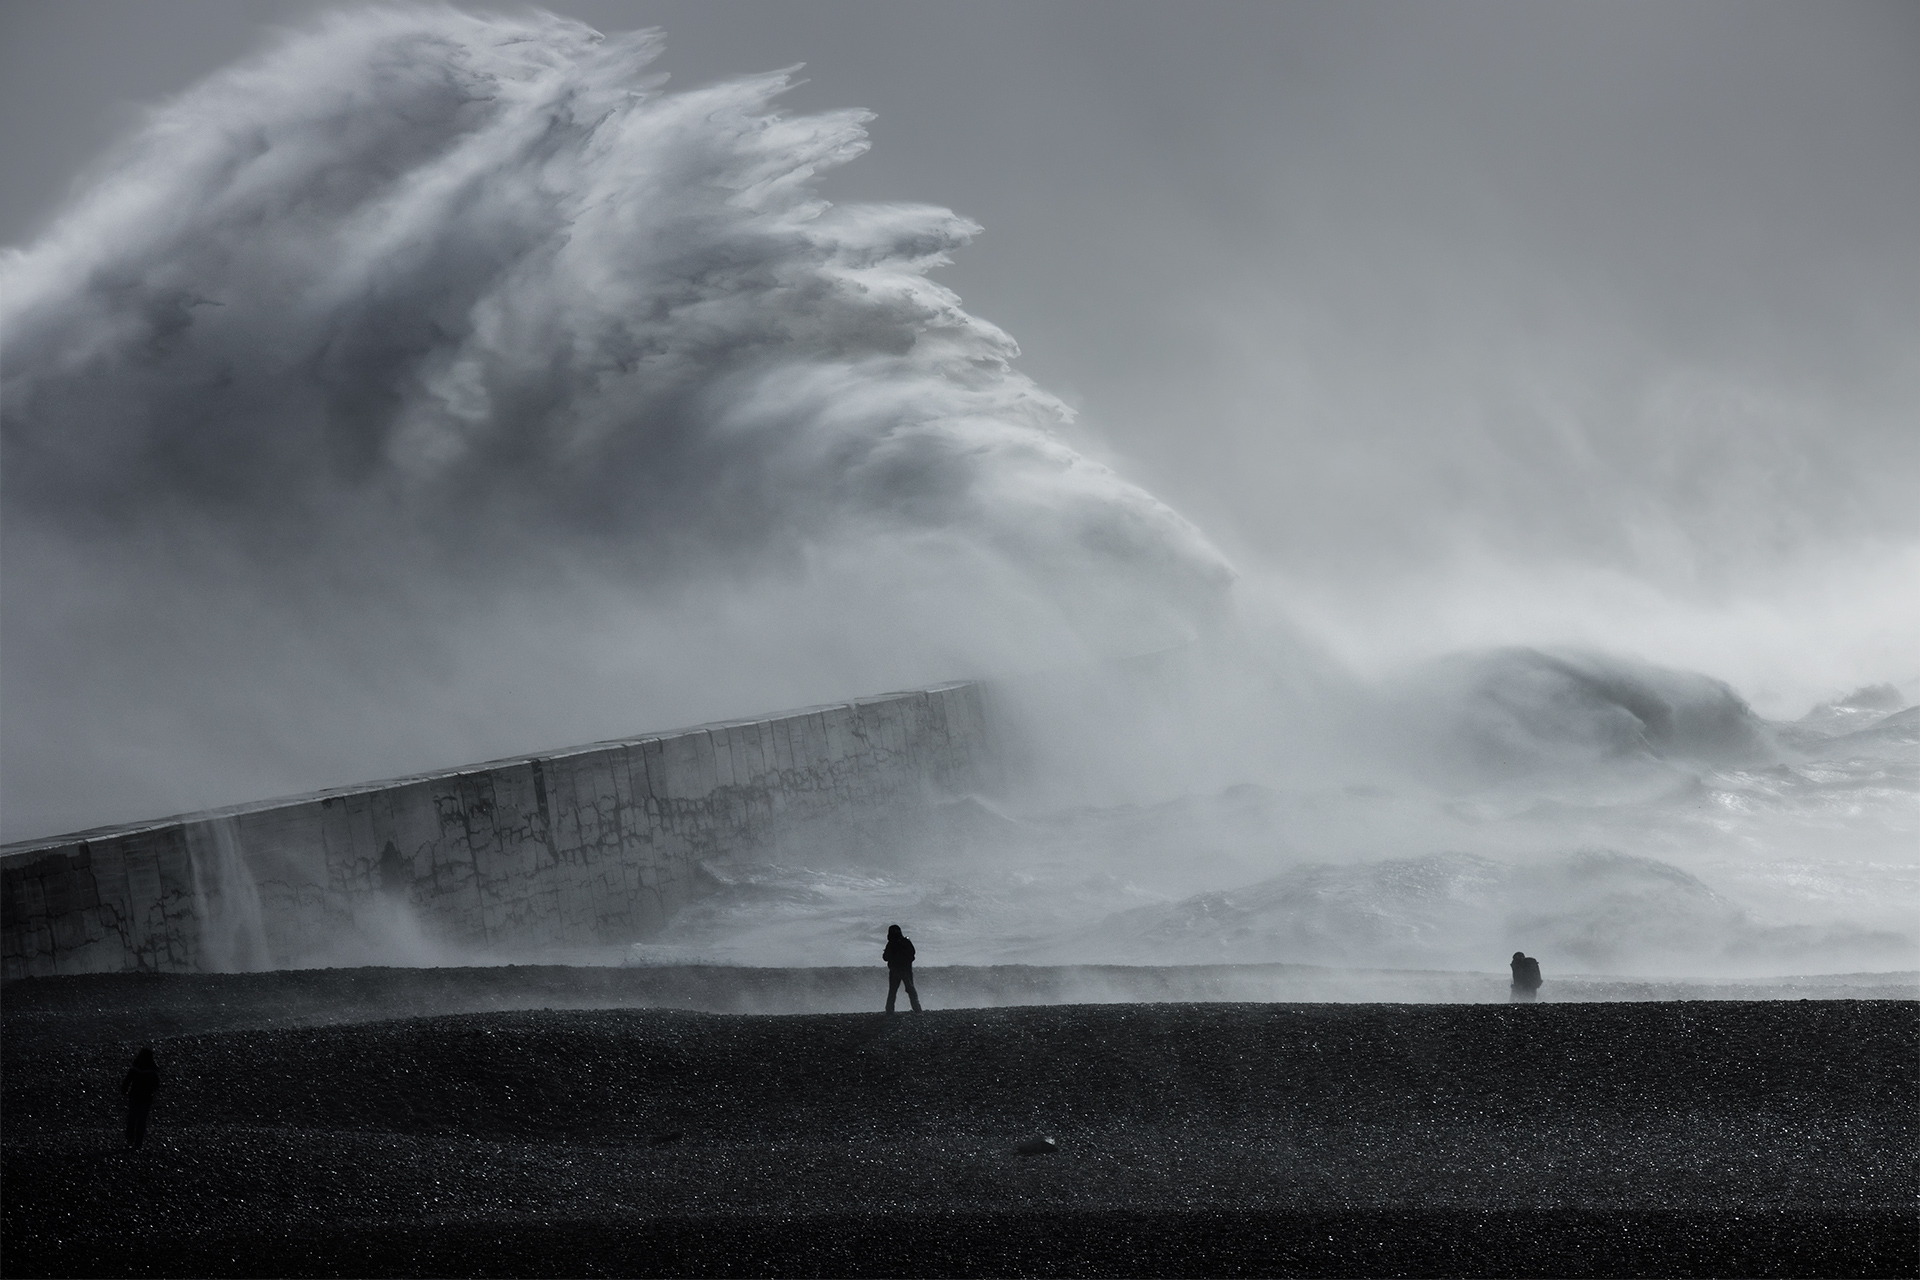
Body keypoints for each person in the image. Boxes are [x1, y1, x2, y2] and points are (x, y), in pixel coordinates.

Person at [123, 1045, 160, 1149]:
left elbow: (128, 1079)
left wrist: (124, 1090)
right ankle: (138, 1143)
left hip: (135, 1095)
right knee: (141, 1120)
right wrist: (149, 1091)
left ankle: (130, 1139)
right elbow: (156, 1084)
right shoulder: (153, 1069)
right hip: (146, 1097)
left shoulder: (136, 1067)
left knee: (132, 1117)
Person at [882, 924, 922, 1013]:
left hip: (895, 970)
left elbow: (885, 957)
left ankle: (889, 1010)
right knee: (911, 990)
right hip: (906, 970)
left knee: (893, 991)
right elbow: (912, 954)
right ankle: (917, 1009)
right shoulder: (906, 942)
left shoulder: (891, 944)